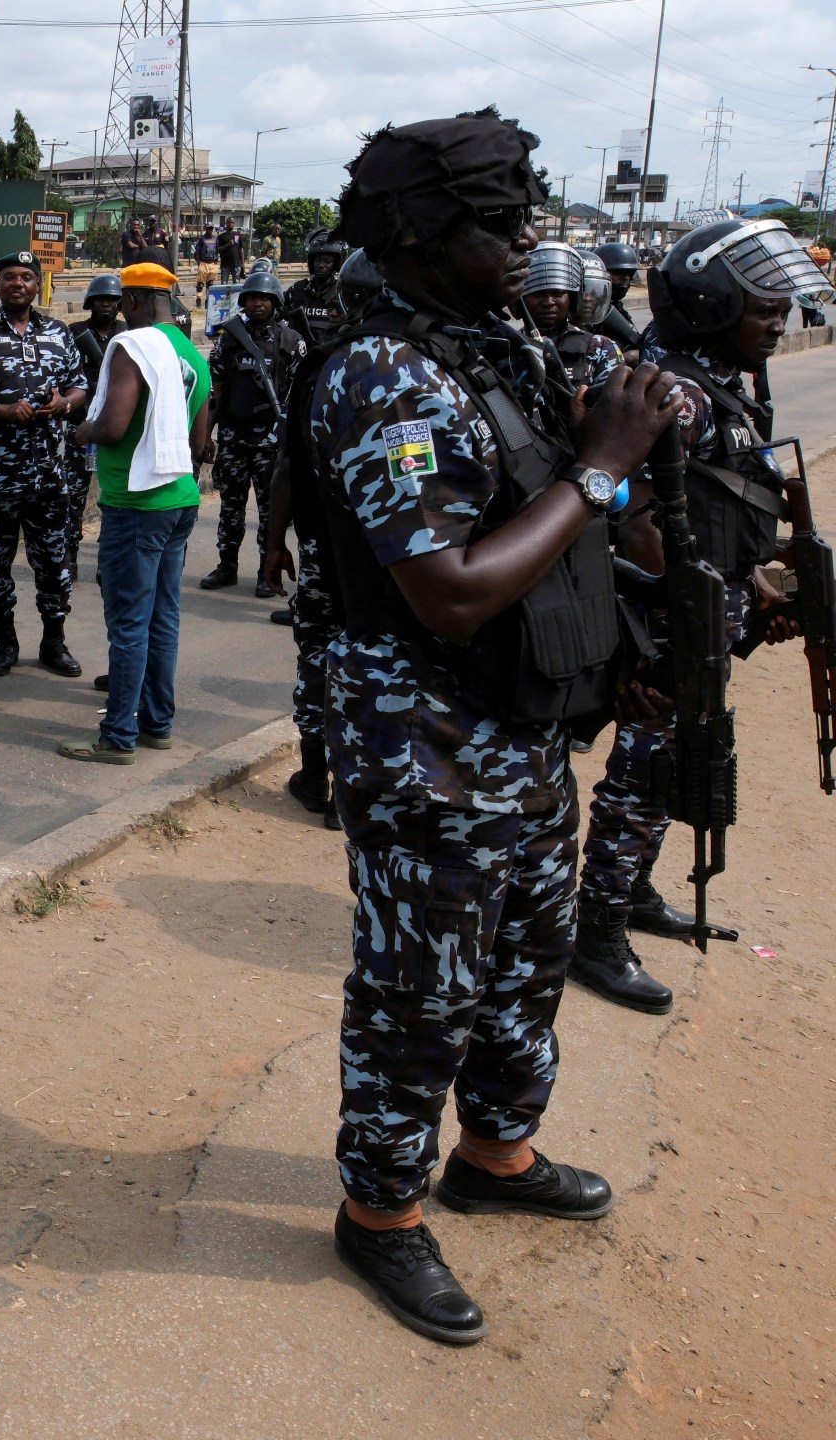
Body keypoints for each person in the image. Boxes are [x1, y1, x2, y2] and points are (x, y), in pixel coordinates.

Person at [311, 109, 680, 1346]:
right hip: (424, 741)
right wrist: (602, 467)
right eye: (497, 220)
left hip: (520, 730)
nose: (527, 237)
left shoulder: (492, 345)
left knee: (527, 961)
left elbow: (562, 531)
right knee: (423, 992)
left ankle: (496, 1156)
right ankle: (380, 1213)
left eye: (528, 211)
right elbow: (455, 588)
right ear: (418, 230)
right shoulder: (381, 374)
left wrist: (615, 635)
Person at [572, 217, 832, 1012]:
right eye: (764, 308)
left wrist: (755, 589)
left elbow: (718, 510)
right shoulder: (676, 392)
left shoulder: (715, 381)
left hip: (704, 617)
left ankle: (636, 893)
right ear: (713, 303)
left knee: (680, 766)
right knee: (646, 778)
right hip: (667, 629)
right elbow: (635, 519)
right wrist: (666, 636)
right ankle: (598, 930)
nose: (778, 323)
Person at [63, 262, 209, 763]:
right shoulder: (191, 352)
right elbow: (198, 435)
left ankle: (118, 737)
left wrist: (83, 429)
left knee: (128, 623)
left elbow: (115, 424)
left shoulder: (132, 347)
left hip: (136, 502)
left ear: (133, 302)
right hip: (180, 497)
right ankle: (156, 725)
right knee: (162, 619)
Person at [262, 245, 384, 826]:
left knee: (318, 660)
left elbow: (287, 467)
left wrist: (272, 543)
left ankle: (317, 780)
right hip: (412, 557)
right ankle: (358, 783)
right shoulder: (446, 364)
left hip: (328, 550)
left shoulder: (324, 366)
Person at [0, 251, 88, 678]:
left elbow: (80, 385)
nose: (17, 283)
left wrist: (65, 403)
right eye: (8, 277)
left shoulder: (58, 332)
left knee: (54, 565)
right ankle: (5, 644)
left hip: (48, 477)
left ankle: (53, 643)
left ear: (38, 285)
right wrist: (0, 411)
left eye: (26, 277)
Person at [201, 270, 305, 597]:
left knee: (268, 510)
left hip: (272, 442)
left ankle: (265, 571)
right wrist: (207, 435)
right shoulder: (229, 339)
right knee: (230, 506)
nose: (257, 303)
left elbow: (300, 392)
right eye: (252, 298)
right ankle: (226, 566)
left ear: (275, 302)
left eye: (264, 298)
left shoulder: (291, 342)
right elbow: (215, 391)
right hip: (234, 435)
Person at [66, 272, 126, 580]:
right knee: (73, 498)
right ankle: (70, 558)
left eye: (112, 300)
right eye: (101, 299)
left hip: (114, 431)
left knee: (112, 499)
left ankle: (107, 561)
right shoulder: (75, 333)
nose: (106, 304)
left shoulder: (128, 335)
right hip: (80, 429)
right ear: (91, 302)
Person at [520, 242, 621, 393]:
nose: (548, 302)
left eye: (558, 294)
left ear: (573, 299)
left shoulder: (599, 347)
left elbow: (612, 403)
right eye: (538, 294)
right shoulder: (507, 345)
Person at [283, 228, 350, 351]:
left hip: (330, 354)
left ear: (336, 263)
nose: (321, 265)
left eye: (327, 261)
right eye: (318, 260)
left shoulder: (343, 294)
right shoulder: (297, 290)